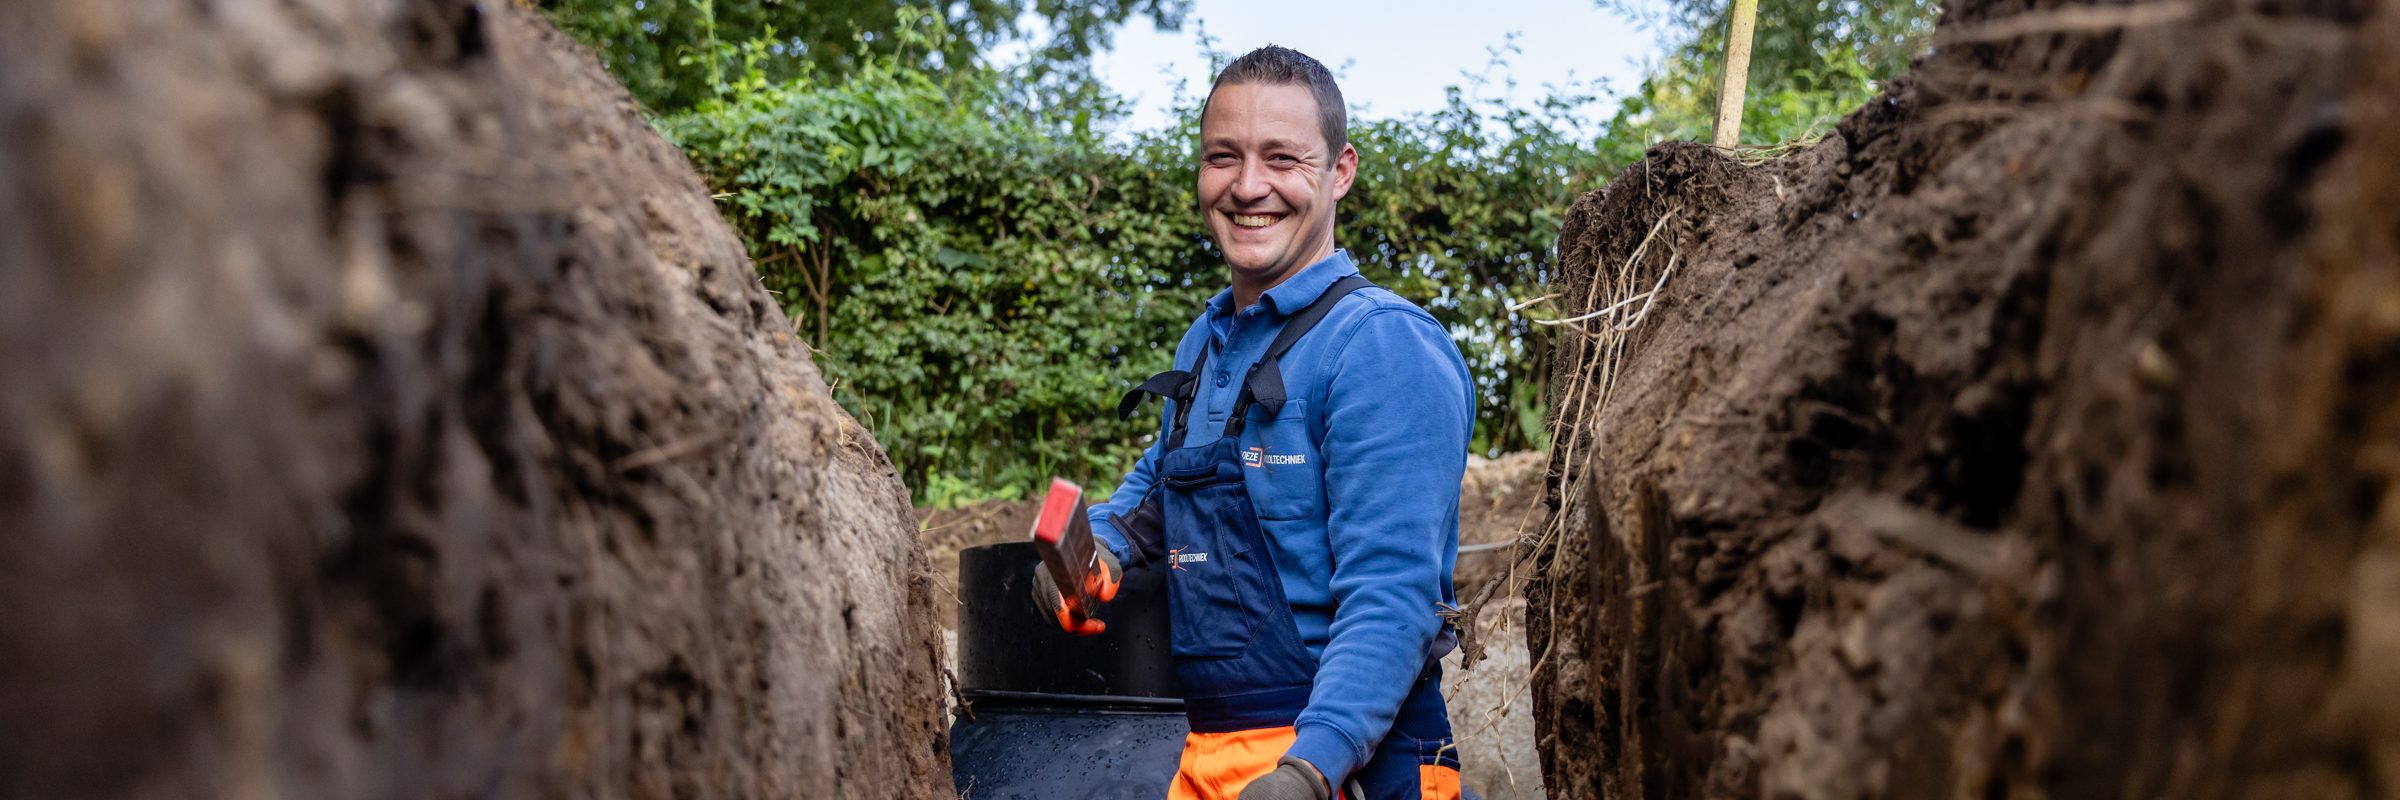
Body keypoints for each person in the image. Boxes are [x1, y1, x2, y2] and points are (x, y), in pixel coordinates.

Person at [1032, 45, 1474, 800]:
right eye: (1223, 157)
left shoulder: (1380, 346)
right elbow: (1160, 488)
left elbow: (1391, 595)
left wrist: (1310, 769)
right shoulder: (1206, 343)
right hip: (1211, 758)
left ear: (1340, 172)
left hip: (1352, 765)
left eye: (1282, 158)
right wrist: (1092, 551)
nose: (1247, 186)